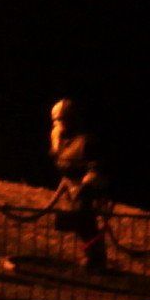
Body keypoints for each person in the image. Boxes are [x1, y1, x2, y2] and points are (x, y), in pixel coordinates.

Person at [47, 98, 109, 271]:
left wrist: (87, 183)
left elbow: (96, 166)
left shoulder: (86, 141)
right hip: (71, 187)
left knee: (85, 222)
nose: (59, 123)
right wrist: (56, 141)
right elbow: (59, 158)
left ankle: (96, 258)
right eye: (57, 120)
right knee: (81, 224)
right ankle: (93, 256)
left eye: (62, 119)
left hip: (87, 188)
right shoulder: (58, 137)